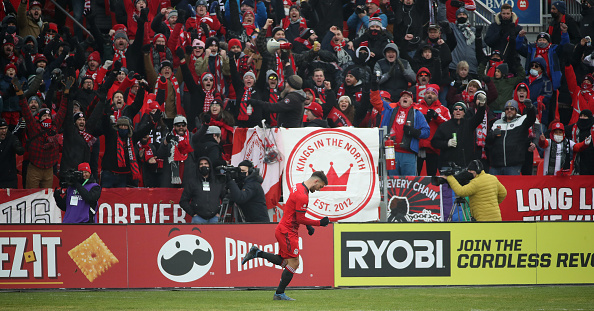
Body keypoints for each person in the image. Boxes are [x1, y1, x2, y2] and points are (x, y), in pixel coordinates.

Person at [241, 171, 330, 301]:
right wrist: (319, 223)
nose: (319, 189)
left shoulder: (299, 187)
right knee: (294, 262)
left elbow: (293, 210)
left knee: (286, 262)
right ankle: (279, 293)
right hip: (287, 231)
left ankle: (257, 253)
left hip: (285, 229)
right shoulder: (302, 195)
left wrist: (308, 226)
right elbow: (300, 218)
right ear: (316, 181)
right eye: (320, 186)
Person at [487, 99, 536, 175]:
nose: (509, 110)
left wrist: (530, 108)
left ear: (516, 111)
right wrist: (492, 135)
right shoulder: (497, 123)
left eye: (512, 109)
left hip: (513, 166)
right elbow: (488, 141)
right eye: (507, 109)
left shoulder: (521, 121)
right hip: (496, 166)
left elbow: (531, 118)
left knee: (512, 187)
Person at [179, 157, 227, 223]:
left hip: (215, 218)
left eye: (206, 163)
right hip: (198, 219)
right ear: (198, 167)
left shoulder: (217, 182)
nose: (203, 165)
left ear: (210, 166)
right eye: (201, 164)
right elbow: (183, 201)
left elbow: (226, 199)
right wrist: (193, 213)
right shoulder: (192, 182)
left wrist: (220, 212)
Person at [0, 118, 24, 188]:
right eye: (1, 129)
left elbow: (17, 146)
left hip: (9, 179)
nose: (4, 131)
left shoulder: (11, 138)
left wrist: (19, 148)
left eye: (5, 128)